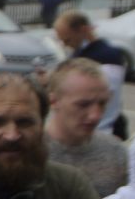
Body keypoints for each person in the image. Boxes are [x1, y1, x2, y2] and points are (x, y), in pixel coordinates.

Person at [44, 57, 128, 196]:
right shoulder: (30, 150)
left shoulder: (116, 152)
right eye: (83, 105)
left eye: (102, 104)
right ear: (54, 101)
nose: (95, 115)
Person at [53, 11, 129, 139]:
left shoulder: (108, 57)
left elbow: (109, 102)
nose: (65, 45)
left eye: (67, 39)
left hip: (103, 132)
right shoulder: (79, 53)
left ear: (83, 30)